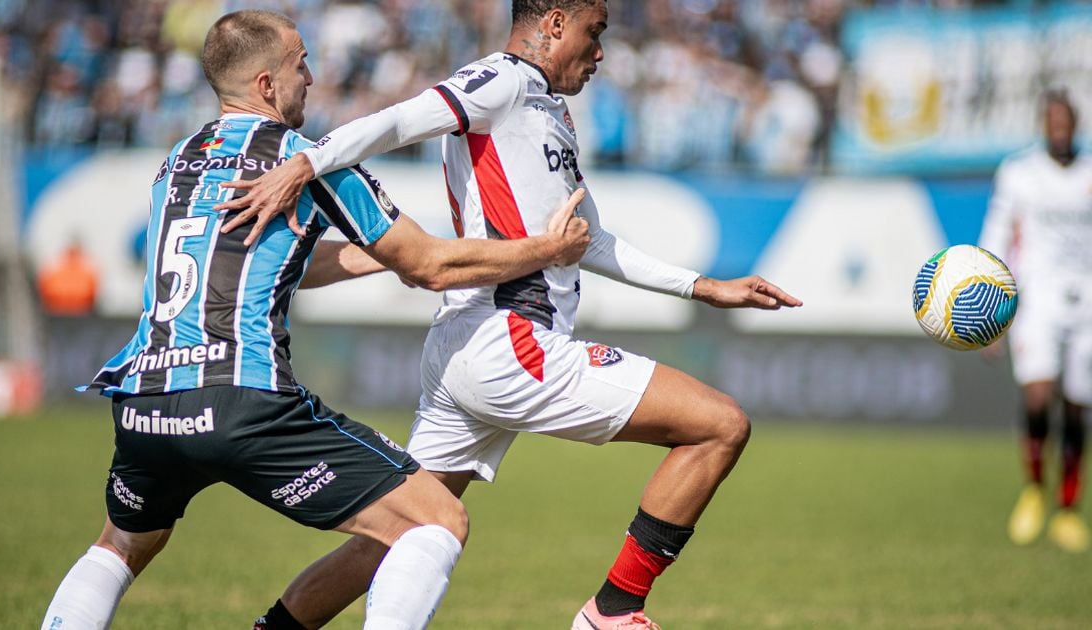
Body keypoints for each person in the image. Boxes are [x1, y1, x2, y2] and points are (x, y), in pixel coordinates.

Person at [218, 2, 801, 627]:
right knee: (719, 425)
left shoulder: (546, 108)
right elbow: (399, 120)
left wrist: (704, 288)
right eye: (593, 33)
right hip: (512, 340)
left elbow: (591, 240)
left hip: (466, 344)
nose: (600, 52)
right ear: (553, 24)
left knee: (402, 531)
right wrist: (306, 162)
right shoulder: (502, 80)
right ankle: (613, 610)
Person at [39, 10, 591, 630]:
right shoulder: (304, 159)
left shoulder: (179, 161)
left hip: (144, 400)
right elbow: (433, 266)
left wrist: (379, 258)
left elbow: (273, 260)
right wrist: (547, 251)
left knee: (121, 545)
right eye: (302, 62)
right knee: (436, 519)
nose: (313, 75)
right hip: (241, 400)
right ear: (268, 84)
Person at [980, 90, 1091, 554]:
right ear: (1043, 125)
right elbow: (998, 235)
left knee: (1077, 405)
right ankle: (1033, 489)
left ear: (1076, 124)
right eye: (1053, 120)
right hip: (1037, 300)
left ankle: (1067, 508)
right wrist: (989, 310)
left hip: (1086, 303)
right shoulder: (1020, 173)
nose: (1059, 127)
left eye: (1066, 120)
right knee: (1039, 395)